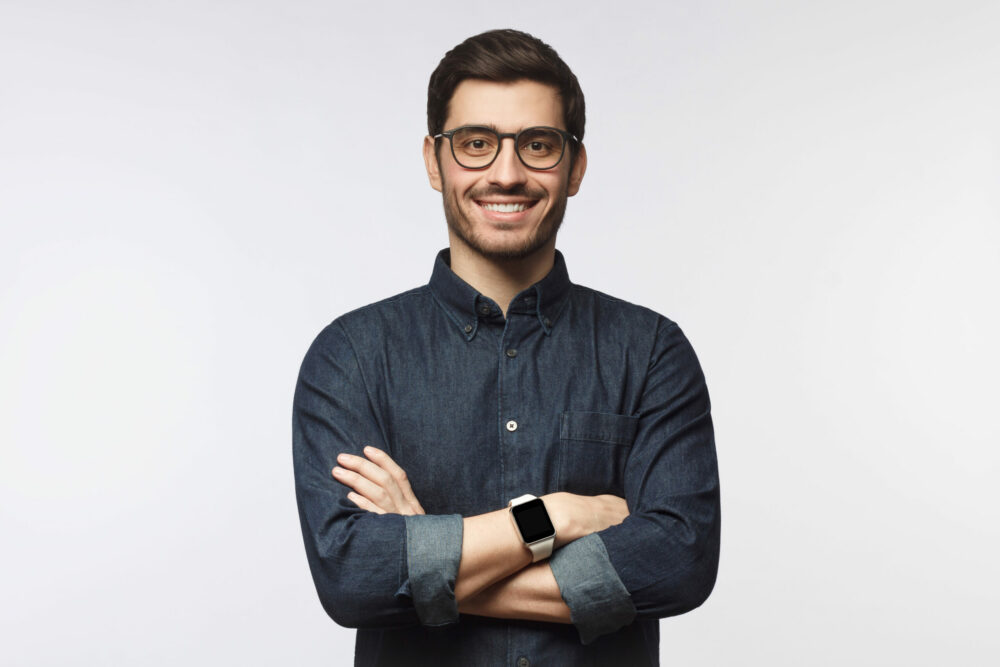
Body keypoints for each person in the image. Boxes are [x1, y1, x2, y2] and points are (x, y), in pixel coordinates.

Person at [293, 28, 720, 667]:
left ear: (575, 167)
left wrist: (426, 556)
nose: (507, 173)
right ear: (434, 161)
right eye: (476, 144)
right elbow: (353, 578)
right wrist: (555, 517)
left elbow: (678, 564)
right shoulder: (351, 356)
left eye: (538, 145)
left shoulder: (652, 351)